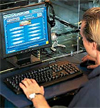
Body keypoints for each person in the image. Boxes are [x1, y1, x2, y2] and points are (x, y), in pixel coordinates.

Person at [19, 7, 100, 108]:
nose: (81, 38)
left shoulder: (93, 92)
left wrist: (36, 96)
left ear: (94, 45)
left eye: (82, 37)